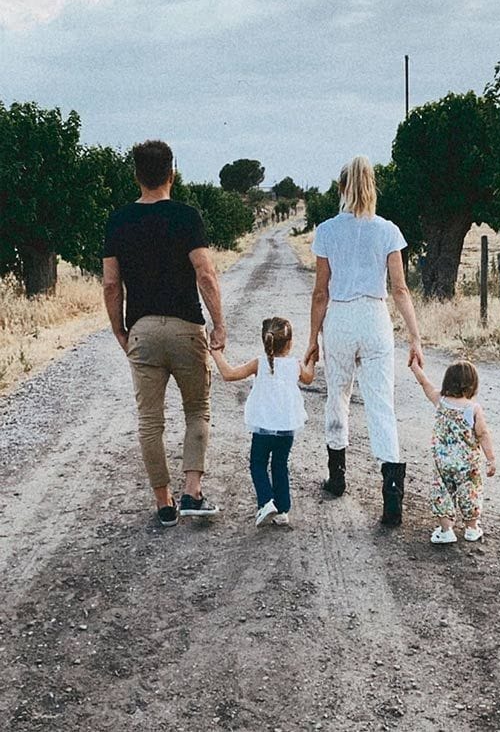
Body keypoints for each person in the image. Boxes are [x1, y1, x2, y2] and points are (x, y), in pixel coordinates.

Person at [102, 139, 225, 527]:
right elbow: (205, 273)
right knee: (197, 411)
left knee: (150, 421)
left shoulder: (117, 221)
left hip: (143, 330)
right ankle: (192, 492)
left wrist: (120, 330)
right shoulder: (187, 217)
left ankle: (164, 504)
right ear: (172, 173)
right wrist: (218, 322)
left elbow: (110, 285)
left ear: (136, 175)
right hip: (187, 327)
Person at [304, 155, 424, 526]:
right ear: (372, 187)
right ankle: (391, 497)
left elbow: (320, 293)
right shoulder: (388, 230)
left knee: (337, 395)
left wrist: (312, 339)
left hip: (339, 317)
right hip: (375, 317)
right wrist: (416, 338)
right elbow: (400, 289)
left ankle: (337, 477)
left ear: (341, 188)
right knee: (380, 404)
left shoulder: (326, 231)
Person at [211, 317, 315, 527]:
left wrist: (216, 353)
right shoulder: (295, 365)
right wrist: (311, 358)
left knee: (257, 464)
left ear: (265, 341)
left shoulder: (259, 363)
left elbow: (229, 374)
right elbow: (309, 377)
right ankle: (282, 510)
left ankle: (266, 501)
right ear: (290, 343)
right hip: (286, 428)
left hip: (263, 428)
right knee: (280, 465)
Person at [409, 358, 496, 543]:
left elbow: (425, 383)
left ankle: (446, 530)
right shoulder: (473, 409)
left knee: (442, 492)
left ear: (447, 382)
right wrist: (490, 459)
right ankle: (472, 528)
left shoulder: (441, 401)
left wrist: (415, 367)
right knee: (470, 492)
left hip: (443, 462)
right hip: (467, 464)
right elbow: (483, 434)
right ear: (473, 384)